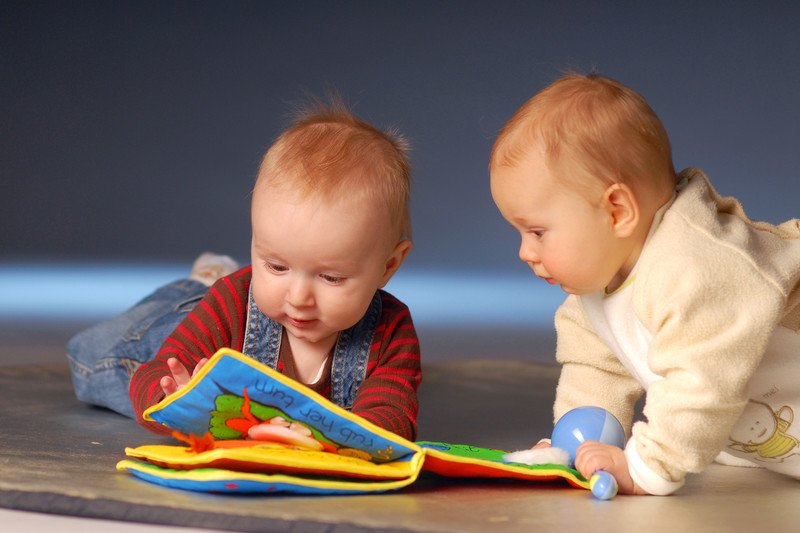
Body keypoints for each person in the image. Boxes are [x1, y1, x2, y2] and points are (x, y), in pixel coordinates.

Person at [489, 73, 800, 495]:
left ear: (617, 211)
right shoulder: (592, 291)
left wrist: (649, 465)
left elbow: (702, 383)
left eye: (538, 232)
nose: (525, 252)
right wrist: (578, 447)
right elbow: (595, 370)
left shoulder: (696, 269)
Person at [67, 100, 421, 441]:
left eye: (331, 277)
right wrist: (177, 398)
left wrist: (344, 441)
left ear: (388, 265)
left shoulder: (391, 331)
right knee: (95, 361)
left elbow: (390, 415)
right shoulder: (230, 305)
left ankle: (217, 277)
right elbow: (154, 374)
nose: (298, 297)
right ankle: (198, 283)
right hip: (168, 334)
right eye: (277, 265)